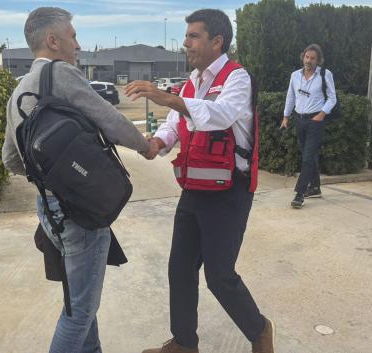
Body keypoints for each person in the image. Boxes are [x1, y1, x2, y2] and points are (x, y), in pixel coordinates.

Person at [1, 7, 154, 353]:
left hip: (48, 211)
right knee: (79, 313)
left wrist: (50, 179)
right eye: (72, 35)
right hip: (80, 213)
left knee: (81, 302)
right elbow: (109, 119)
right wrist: (146, 146)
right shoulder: (62, 75)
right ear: (53, 41)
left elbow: (10, 158)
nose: (78, 44)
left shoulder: (18, 92)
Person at [125, 9, 275, 353]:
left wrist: (165, 96)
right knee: (179, 269)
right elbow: (177, 122)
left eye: (194, 36)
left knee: (219, 277)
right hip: (194, 188)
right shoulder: (194, 82)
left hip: (229, 191)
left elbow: (220, 115)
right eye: (187, 35)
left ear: (217, 41)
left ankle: (260, 330)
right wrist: (159, 142)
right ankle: (184, 343)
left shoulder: (237, 78)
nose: (186, 43)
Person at [280, 44, 337, 209]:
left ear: (318, 60)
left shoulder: (325, 75)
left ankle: (299, 194)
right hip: (300, 120)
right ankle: (315, 187)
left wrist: (321, 115)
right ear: (303, 57)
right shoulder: (295, 76)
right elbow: (291, 96)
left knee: (306, 158)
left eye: (313, 58)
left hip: (315, 122)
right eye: (307, 57)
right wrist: (286, 116)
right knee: (309, 156)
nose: (309, 61)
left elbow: (332, 98)